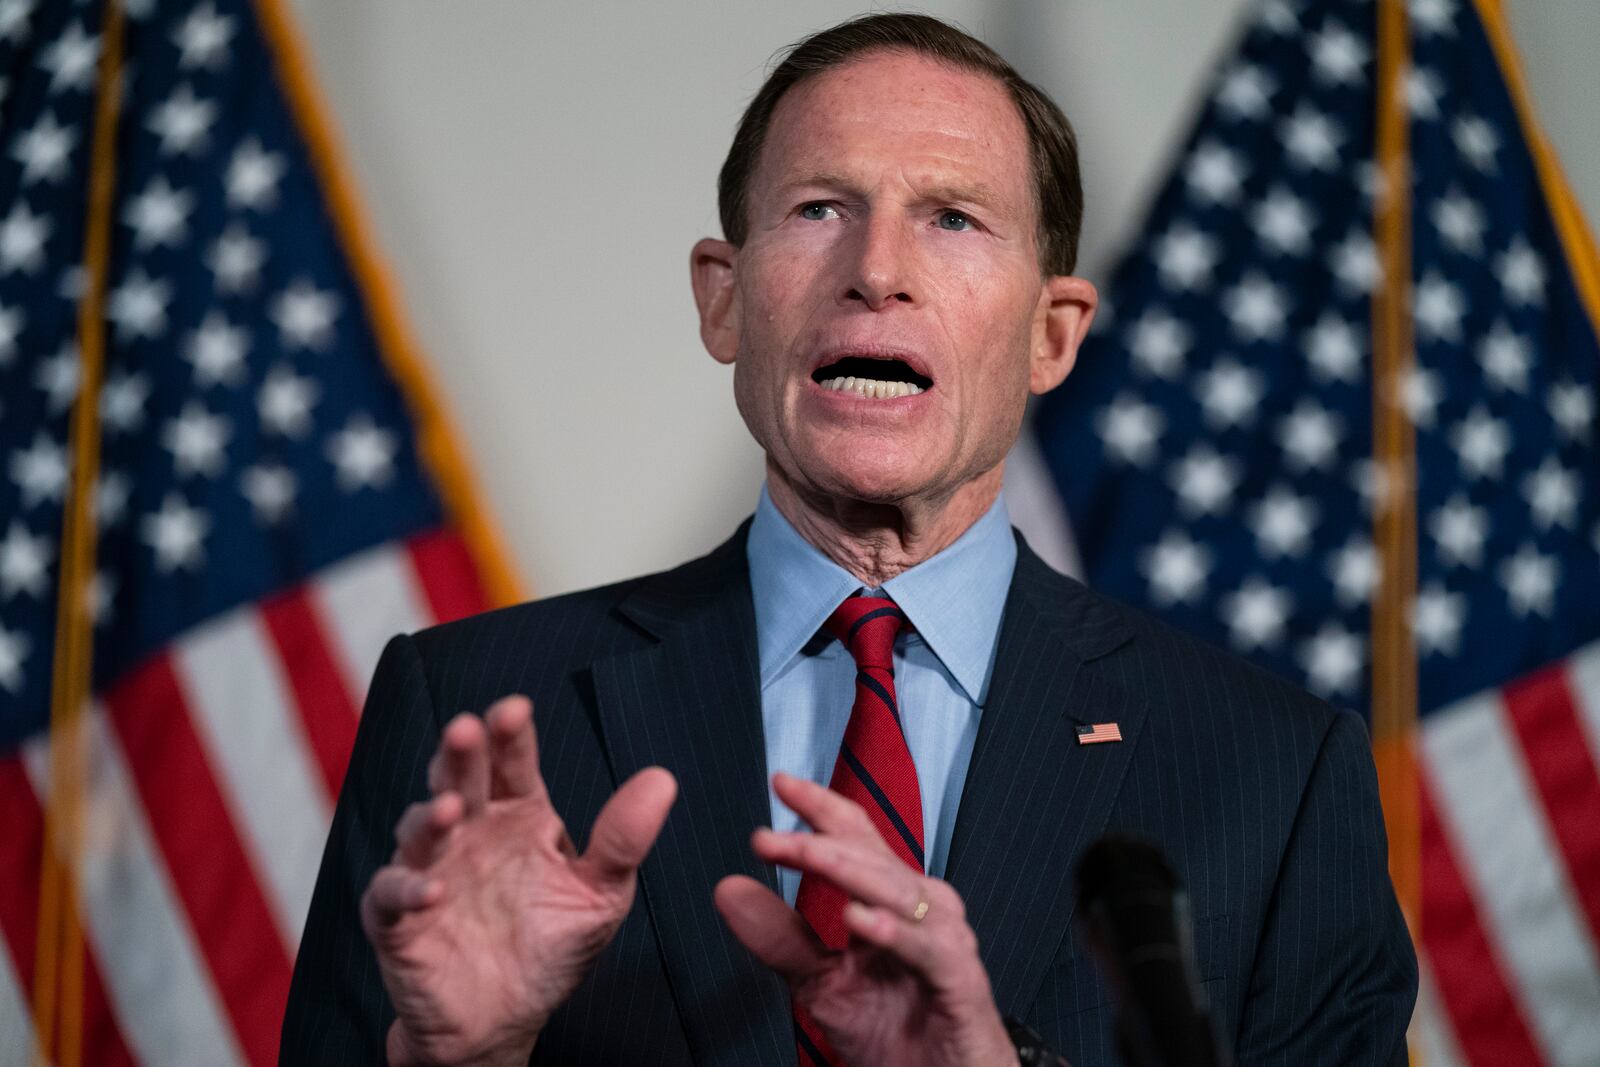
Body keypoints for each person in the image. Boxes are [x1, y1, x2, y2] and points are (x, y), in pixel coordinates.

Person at [281, 13, 1417, 1066]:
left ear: (1051, 334)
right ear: (724, 299)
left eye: (952, 218)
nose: (875, 271)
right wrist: (459, 1058)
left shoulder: (1274, 773)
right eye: (820, 207)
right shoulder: (466, 709)